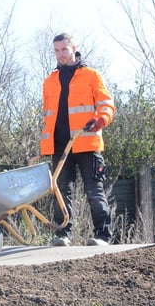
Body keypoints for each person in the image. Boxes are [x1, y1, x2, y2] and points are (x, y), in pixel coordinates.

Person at [40, 33, 116, 246]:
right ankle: (63, 234)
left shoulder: (91, 75)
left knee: (94, 190)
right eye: (56, 51)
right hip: (59, 145)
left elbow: (106, 103)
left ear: (74, 48)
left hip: (85, 142)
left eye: (64, 49)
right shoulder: (50, 81)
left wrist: (102, 119)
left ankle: (102, 235)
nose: (60, 54)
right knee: (60, 190)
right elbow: (48, 115)